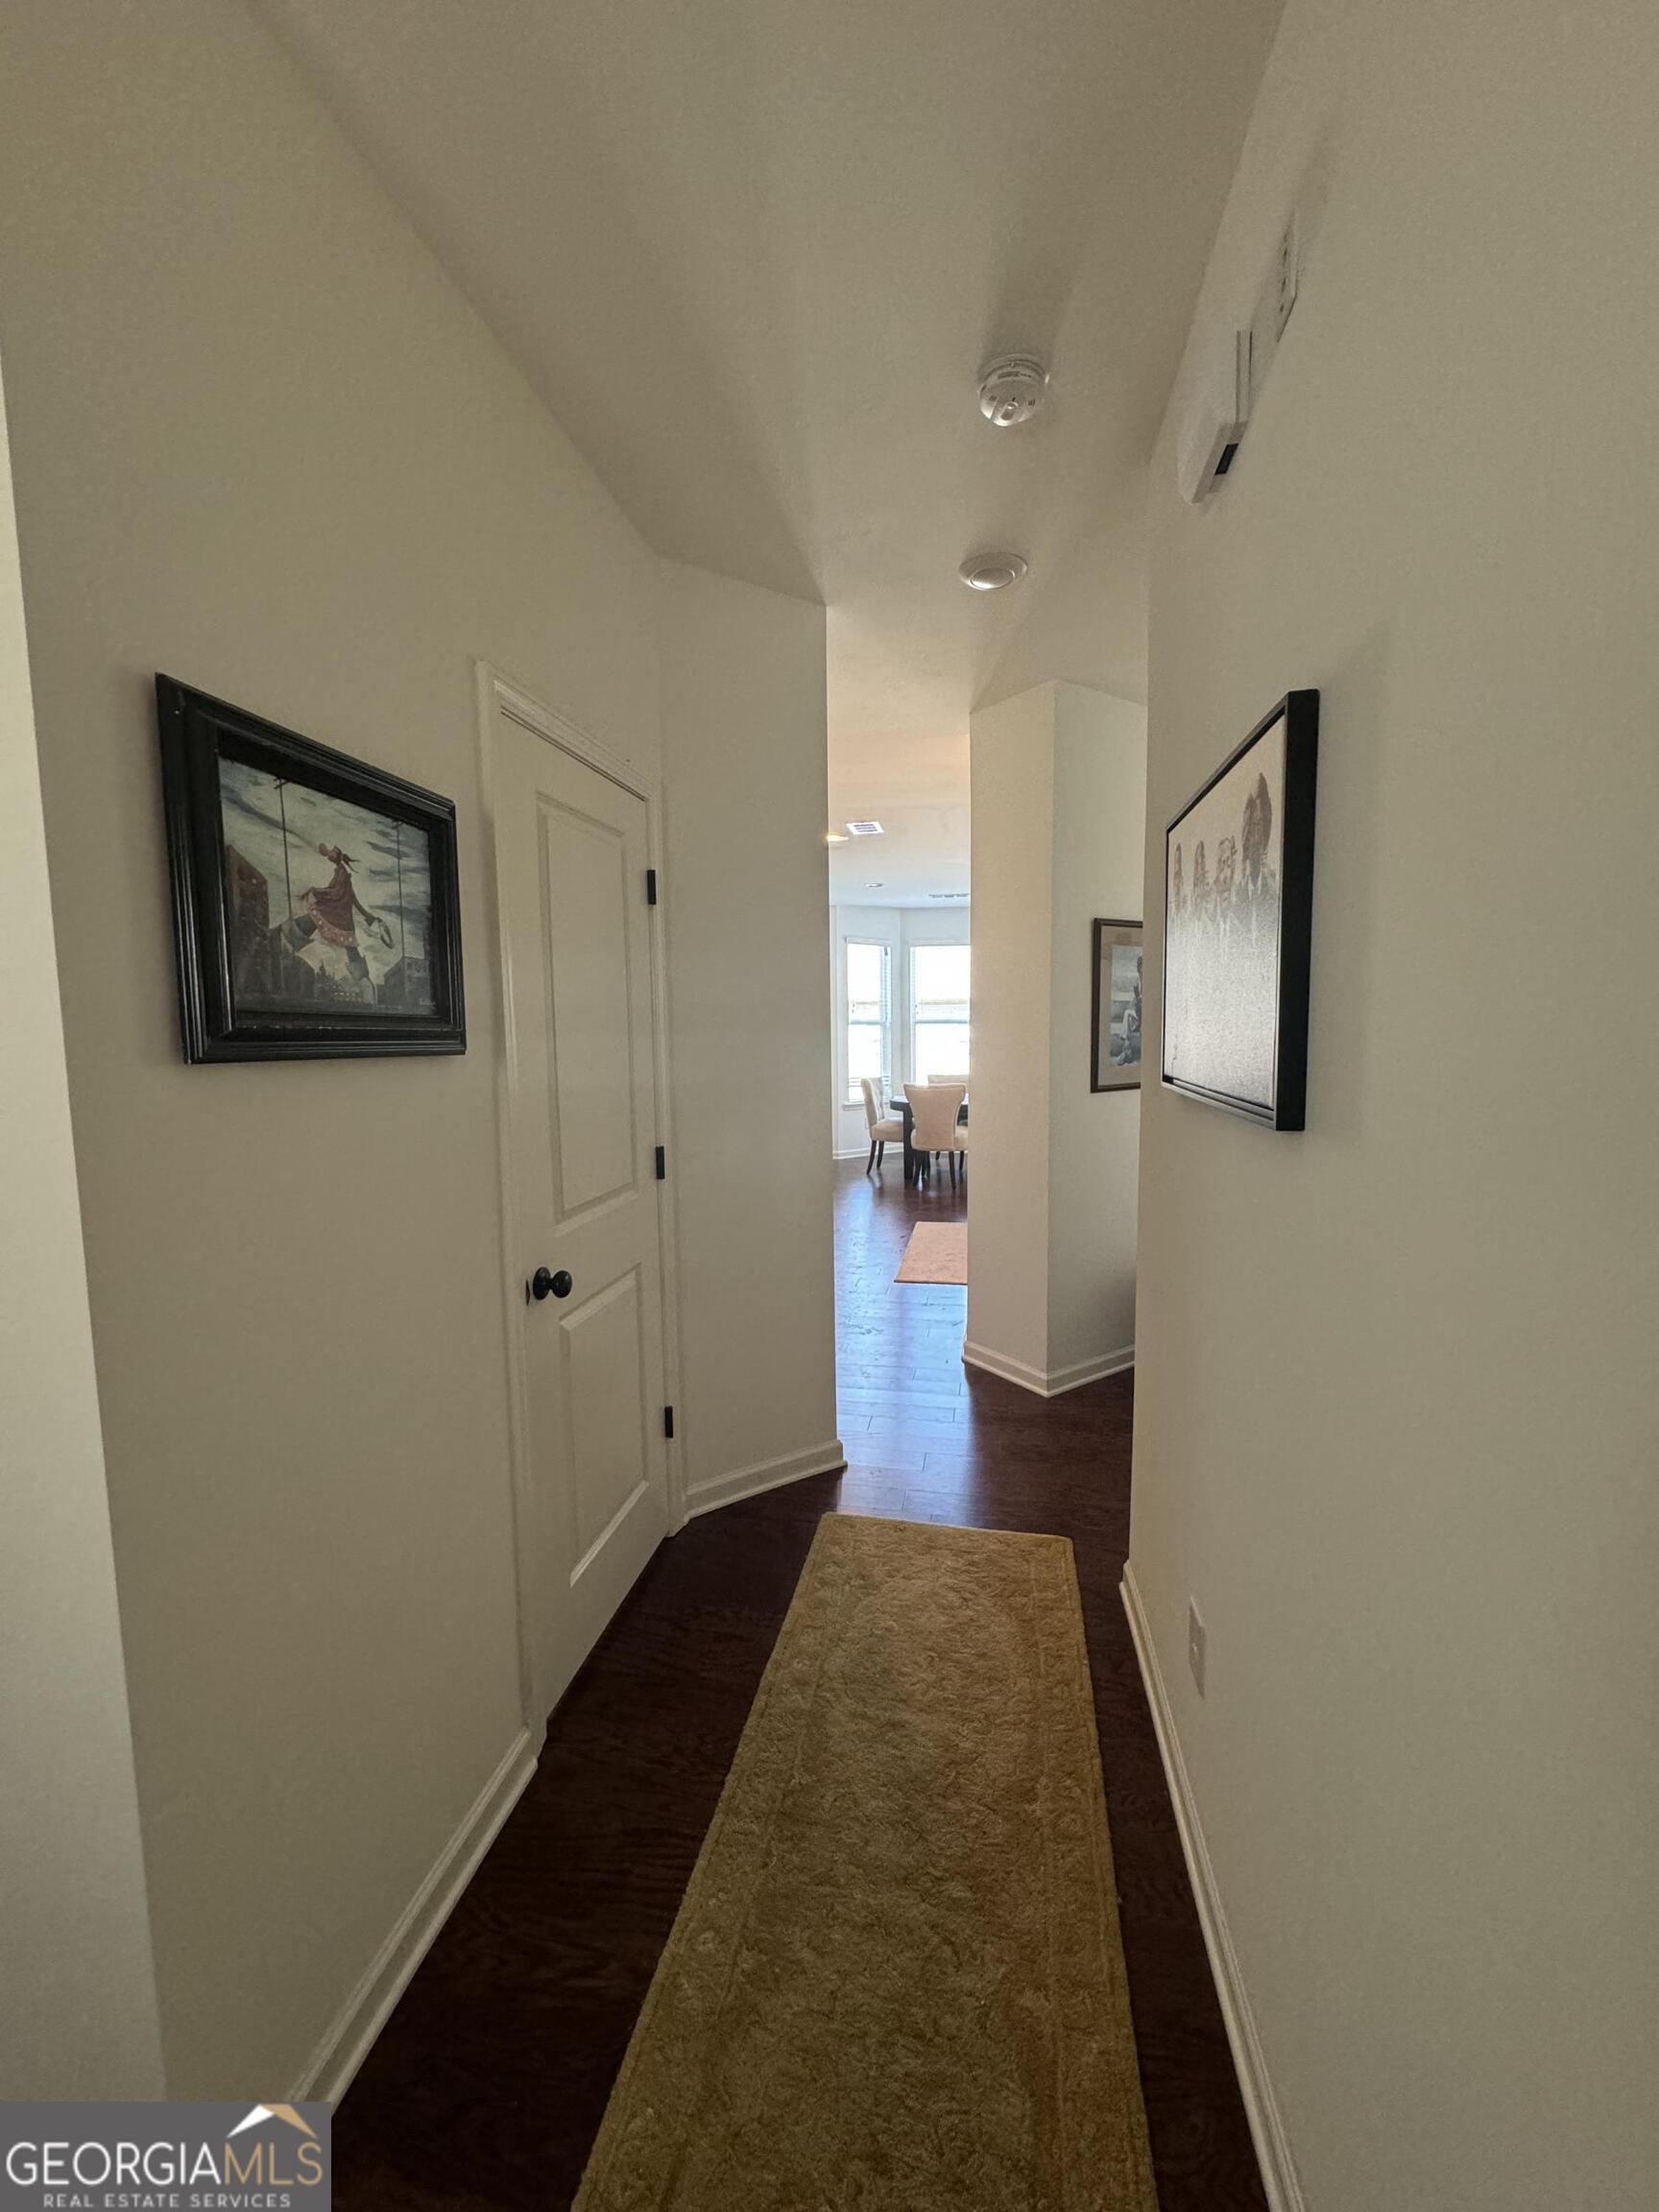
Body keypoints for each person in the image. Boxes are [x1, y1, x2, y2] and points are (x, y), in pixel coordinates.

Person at [281, 843, 390, 991]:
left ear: (337, 856)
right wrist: (368, 917)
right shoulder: (341, 873)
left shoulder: (342, 873)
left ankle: (365, 983)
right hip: (340, 917)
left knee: (315, 919)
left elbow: (337, 893)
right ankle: (365, 981)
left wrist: (316, 891)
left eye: (332, 852)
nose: (329, 854)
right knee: (349, 946)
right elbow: (353, 900)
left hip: (337, 915)